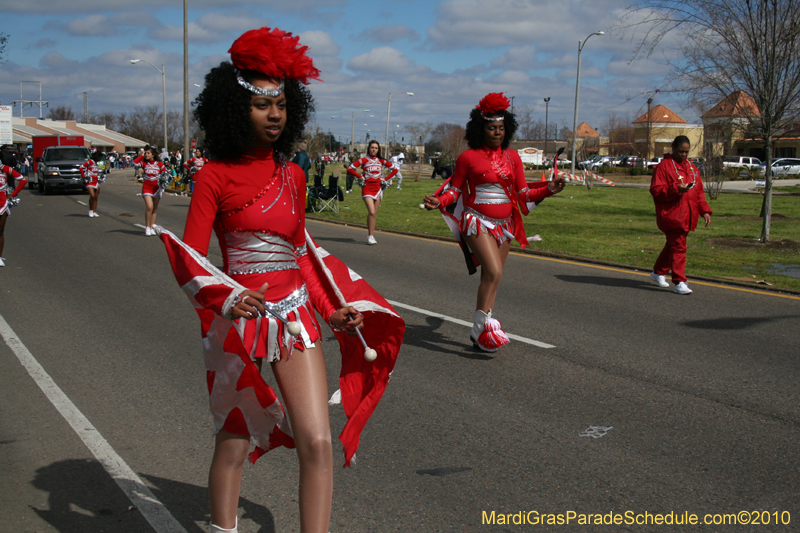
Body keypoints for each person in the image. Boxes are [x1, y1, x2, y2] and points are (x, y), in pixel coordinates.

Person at [162, 27, 402, 533]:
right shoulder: (213, 175)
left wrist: (330, 310)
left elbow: (300, 253)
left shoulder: (293, 174)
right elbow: (187, 259)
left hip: (294, 317)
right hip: (238, 320)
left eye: (282, 104)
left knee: (316, 442)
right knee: (234, 441)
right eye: (260, 104)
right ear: (233, 108)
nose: (274, 115)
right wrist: (227, 300)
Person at [422, 93, 565, 352]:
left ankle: (481, 330)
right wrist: (439, 201)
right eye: (491, 128)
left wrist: (550, 190)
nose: (497, 132)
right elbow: (454, 190)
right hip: (476, 222)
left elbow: (523, 195)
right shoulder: (468, 157)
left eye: (501, 128)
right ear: (481, 128)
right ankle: (482, 328)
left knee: (493, 277)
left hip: (505, 225)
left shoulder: (513, 157)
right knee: (494, 271)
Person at [649, 135, 712, 295]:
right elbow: (656, 190)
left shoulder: (692, 168)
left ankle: (658, 272)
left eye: (686, 152)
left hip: (687, 215)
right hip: (671, 215)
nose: (683, 155)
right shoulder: (664, 166)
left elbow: (698, 192)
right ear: (673, 148)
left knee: (673, 245)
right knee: (679, 246)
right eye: (680, 151)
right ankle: (679, 281)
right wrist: (676, 188)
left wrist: (704, 210)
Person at [346, 140, 398, 245]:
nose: (373, 149)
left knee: (374, 214)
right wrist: (360, 176)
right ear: (368, 148)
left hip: (378, 189)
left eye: (376, 148)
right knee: (372, 211)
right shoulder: (364, 160)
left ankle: (371, 235)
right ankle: (370, 236)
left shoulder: (381, 160)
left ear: (378, 150)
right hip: (367, 188)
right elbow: (350, 169)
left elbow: (395, 169)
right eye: (372, 147)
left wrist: (385, 179)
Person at [0, 152, 27, 267]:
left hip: (1, 205)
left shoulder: (4, 169)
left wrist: (13, 195)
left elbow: (22, 180)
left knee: (0, 232)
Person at [134, 145, 168, 236]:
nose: (146, 154)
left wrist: (163, 181)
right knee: (149, 207)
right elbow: (134, 163)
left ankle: (152, 226)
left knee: (154, 209)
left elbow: (165, 174)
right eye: (146, 153)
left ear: (153, 155)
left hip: (156, 189)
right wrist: (141, 155)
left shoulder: (159, 164)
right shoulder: (144, 163)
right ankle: (147, 227)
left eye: (148, 153)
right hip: (147, 188)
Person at [80, 151, 103, 217]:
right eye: (100, 157)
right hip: (90, 181)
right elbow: (81, 167)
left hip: (96, 181)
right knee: (92, 196)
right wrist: (84, 177)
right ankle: (90, 210)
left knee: (96, 197)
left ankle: (94, 211)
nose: (100, 159)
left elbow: (96, 172)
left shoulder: (96, 163)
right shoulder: (90, 161)